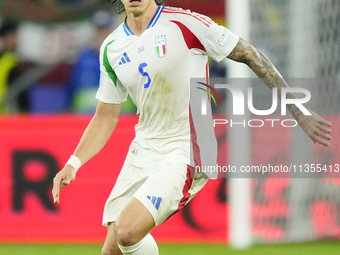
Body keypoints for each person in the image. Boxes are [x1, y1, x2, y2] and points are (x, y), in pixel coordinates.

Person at [52, 0, 333, 254]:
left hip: (187, 147)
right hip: (145, 147)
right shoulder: (111, 47)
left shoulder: (185, 23)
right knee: (112, 250)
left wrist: (299, 111)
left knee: (127, 230)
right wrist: (73, 163)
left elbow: (250, 54)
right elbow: (105, 116)